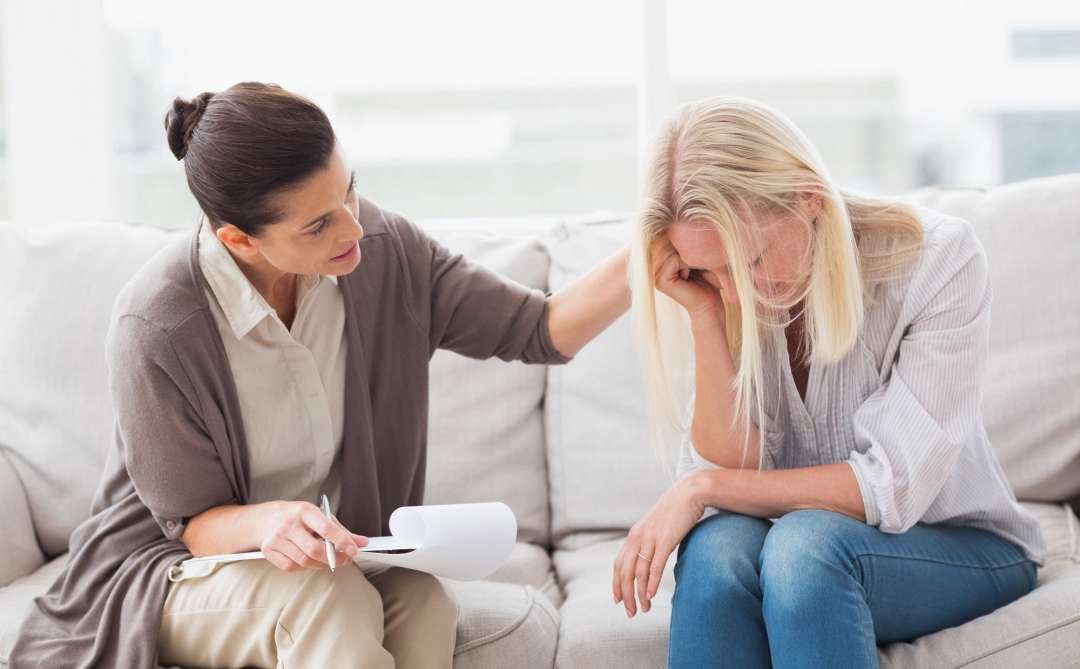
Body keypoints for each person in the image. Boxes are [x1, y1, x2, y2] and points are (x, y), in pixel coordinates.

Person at [9, 81, 631, 668]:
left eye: (349, 192)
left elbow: (540, 328)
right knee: (328, 598)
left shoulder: (384, 252)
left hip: (325, 565)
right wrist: (270, 521)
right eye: (318, 224)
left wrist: (655, 246)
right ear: (239, 240)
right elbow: (191, 527)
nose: (355, 228)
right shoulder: (158, 324)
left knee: (420, 600)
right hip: (167, 572)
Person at [612, 96, 1045, 668]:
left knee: (804, 551)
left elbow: (890, 486)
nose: (734, 292)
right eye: (707, 272)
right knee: (716, 553)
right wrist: (704, 314)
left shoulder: (939, 259)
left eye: (750, 261)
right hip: (795, 546)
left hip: (960, 544)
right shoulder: (724, 297)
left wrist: (700, 487)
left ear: (808, 196)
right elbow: (731, 463)